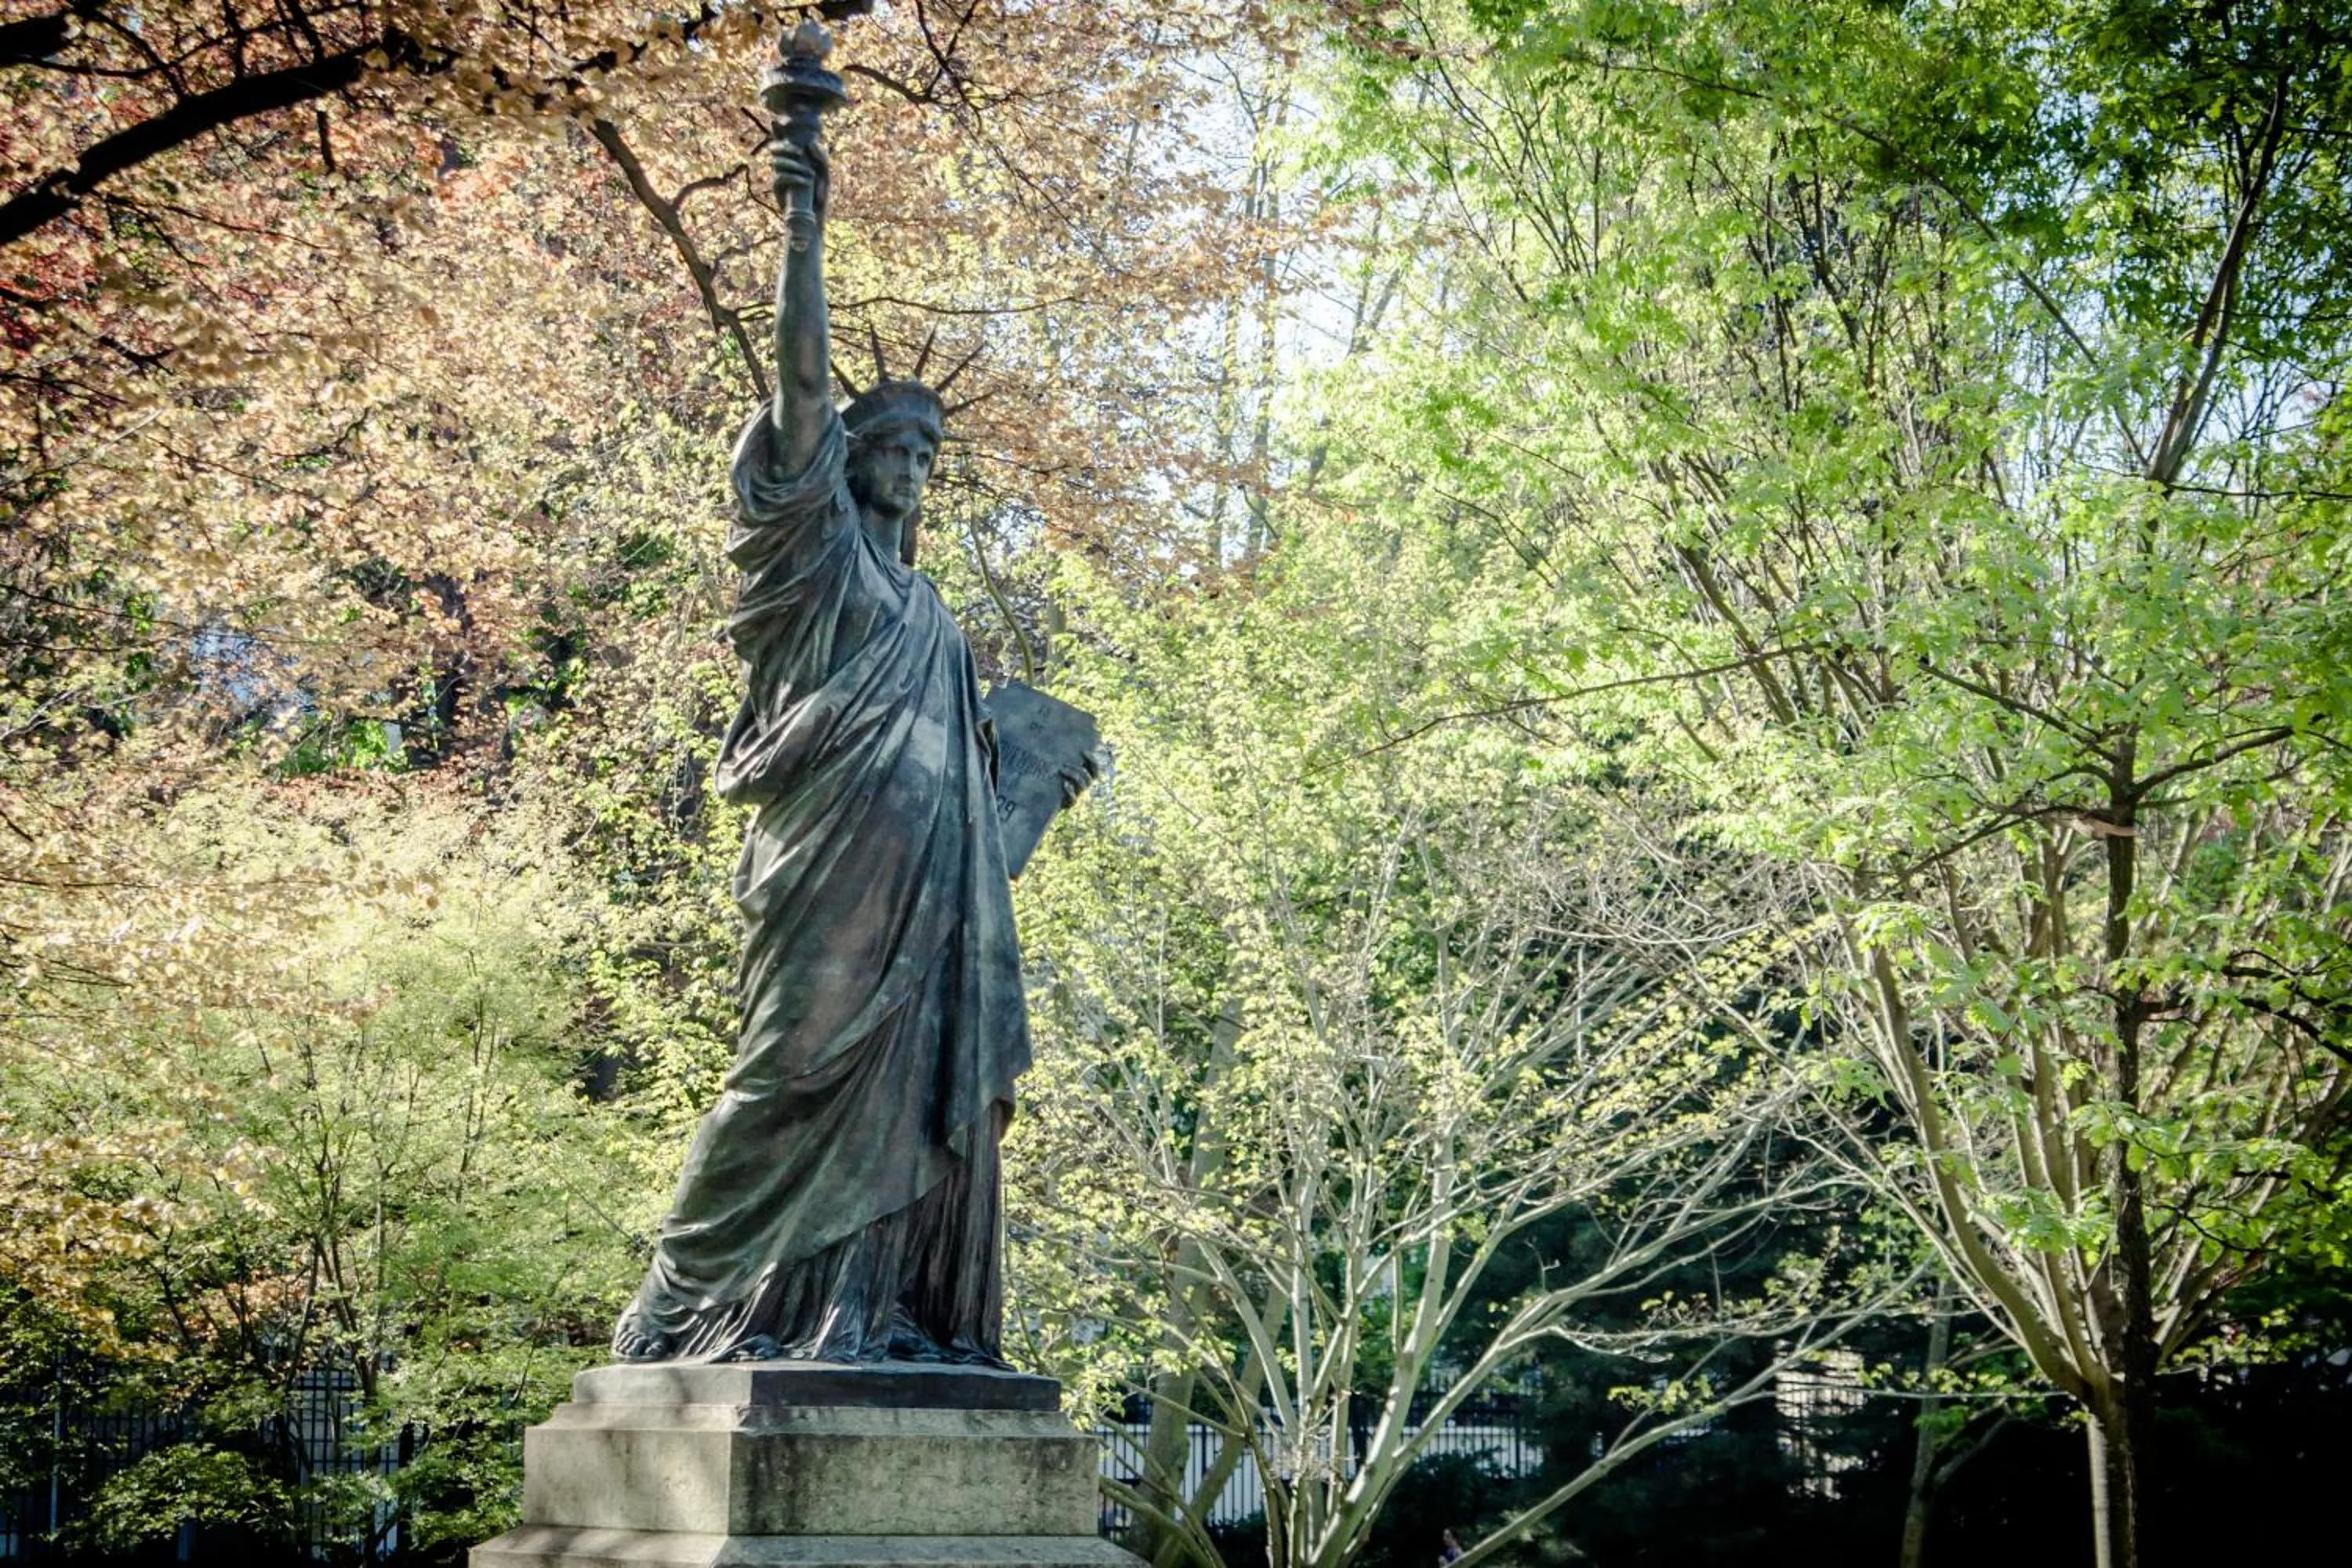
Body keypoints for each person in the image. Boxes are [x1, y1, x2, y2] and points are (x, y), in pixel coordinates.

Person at [609, 120, 1052, 1366]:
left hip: (922, 910)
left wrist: (1029, 784)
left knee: (906, 1096)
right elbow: (799, 388)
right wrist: (803, 222)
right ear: (847, 460)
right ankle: (682, 1298)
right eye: (891, 445)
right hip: (821, 881)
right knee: (785, 1071)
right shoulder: (816, 564)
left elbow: (966, 808)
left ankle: (863, 1313)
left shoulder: (941, 623)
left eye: (928, 452)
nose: (910, 466)